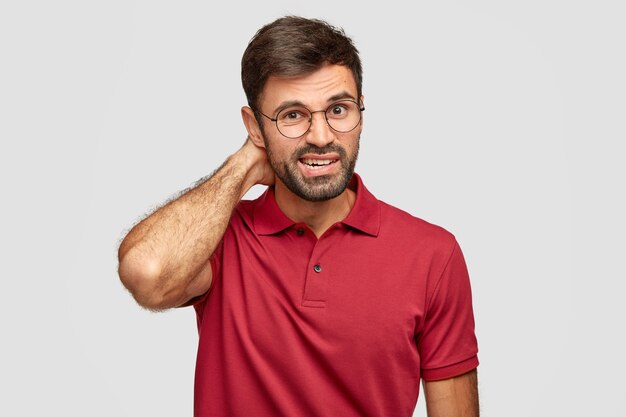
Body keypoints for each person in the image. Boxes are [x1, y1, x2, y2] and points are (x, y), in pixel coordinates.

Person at [118, 16, 479, 417]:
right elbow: (147, 274)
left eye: (338, 110)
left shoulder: (432, 254)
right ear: (255, 127)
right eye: (293, 115)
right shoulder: (221, 239)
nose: (322, 136)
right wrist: (243, 167)